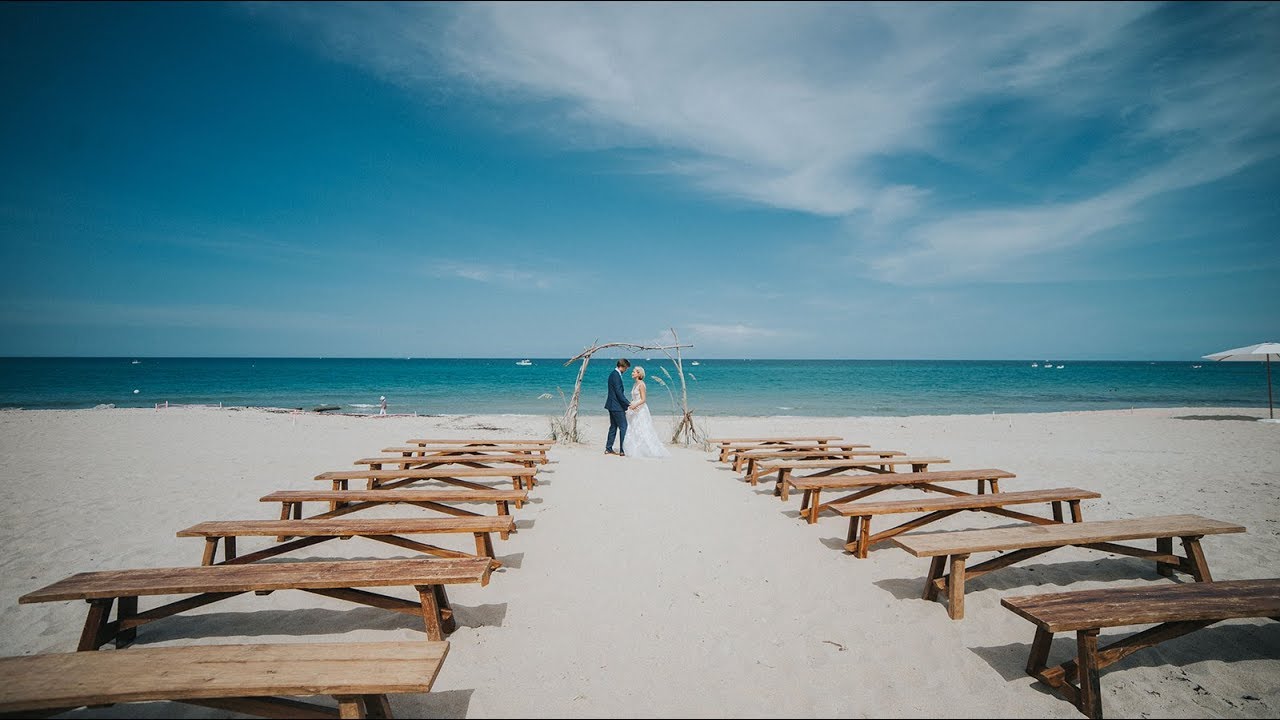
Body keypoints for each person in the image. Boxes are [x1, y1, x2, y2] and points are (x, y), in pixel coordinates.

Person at [623, 366, 670, 458]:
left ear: (639, 374)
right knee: (633, 428)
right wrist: (630, 405)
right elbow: (634, 398)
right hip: (634, 408)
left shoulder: (641, 385)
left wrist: (635, 405)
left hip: (640, 409)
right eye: (632, 371)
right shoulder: (635, 384)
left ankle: (647, 450)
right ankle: (634, 449)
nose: (632, 373)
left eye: (634, 372)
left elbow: (643, 399)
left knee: (642, 428)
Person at [604, 358, 631, 456]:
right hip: (616, 406)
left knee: (613, 427)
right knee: (623, 426)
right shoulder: (616, 375)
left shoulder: (613, 374)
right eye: (626, 368)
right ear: (623, 366)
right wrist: (628, 403)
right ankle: (622, 450)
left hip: (612, 405)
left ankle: (608, 448)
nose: (626, 370)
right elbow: (619, 393)